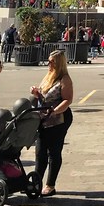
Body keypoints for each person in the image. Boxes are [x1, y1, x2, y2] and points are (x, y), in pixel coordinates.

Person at [31, 50, 74, 197]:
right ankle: (36, 183)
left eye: (52, 62)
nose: (49, 64)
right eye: (48, 61)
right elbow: (45, 97)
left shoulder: (64, 79)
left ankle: (50, 185)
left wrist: (55, 111)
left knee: (53, 152)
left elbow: (68, 99)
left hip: (58, 120)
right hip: (43, 119)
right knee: (40, 151)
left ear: (59, 63)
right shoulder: (49, 76)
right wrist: (37, 93)